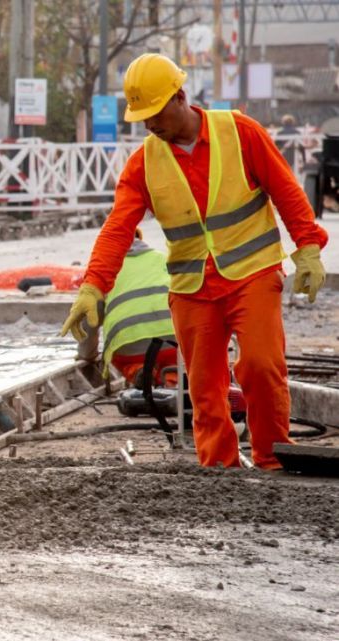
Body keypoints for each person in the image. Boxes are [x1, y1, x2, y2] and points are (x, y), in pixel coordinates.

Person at [61, 53, 328, 470]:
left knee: (260, 367)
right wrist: (94, 285)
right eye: (142, 116)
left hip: (252, 274)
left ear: (180, 96)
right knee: (204, 386)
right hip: (191, 288)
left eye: (154, 112)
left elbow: (287, 191)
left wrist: (307, 247)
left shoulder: (240, 133)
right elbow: (118, 228)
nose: (149, 124)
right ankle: (220, 467)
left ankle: (273, 458)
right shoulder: (143, 164)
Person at [76, 229, 177, 387]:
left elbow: (90, 320)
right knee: (174, 361)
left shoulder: (101, 272)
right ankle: (172, 377)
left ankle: (137, 370)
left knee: (122, 355)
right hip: (175, 341)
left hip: (130, 347)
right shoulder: (163, 259)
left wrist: (86, 355)